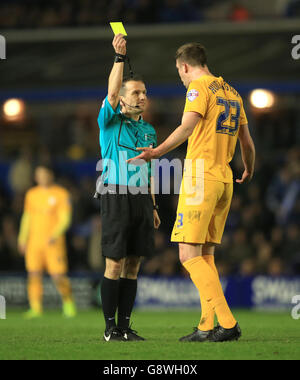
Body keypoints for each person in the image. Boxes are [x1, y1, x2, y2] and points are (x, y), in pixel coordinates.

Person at [128, 42, 255, 342]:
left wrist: (156, 152)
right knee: (205, 255)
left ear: (185, 66)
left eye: (179, 72)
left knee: (187, 255)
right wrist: (248, 169)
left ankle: (227, 323)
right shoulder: (233, 93)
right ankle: (205, 326)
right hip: (225, 179)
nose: (181, 78)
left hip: (201, 178)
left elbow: (186, 127)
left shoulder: (198, 88)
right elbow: (247, 144)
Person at [96, 33, 160, 342]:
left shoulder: (149, 130)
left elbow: (147, 170)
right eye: (135, 92)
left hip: (141, 202)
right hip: (116, 195)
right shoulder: (109, 121)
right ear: (122, 99)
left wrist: (153, 205)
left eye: (144, 92)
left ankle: (124, 327)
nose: (142, 97)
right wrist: (119, 58)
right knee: (115, 262)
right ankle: (110, 329)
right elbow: (110, 92)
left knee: (133, 264)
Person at [18, 164, 76, 319]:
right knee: (33, 274)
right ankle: (35, 308)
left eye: (44, 174)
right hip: (34, 242)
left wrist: (55, 234)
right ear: (36, 177)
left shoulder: (61, 194)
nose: (42, 177)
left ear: (51, 175)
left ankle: (68, 302)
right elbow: (27, 218)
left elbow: (65, 219)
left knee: (58, 276)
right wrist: (22, 238)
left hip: (53, 242)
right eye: (39, 174)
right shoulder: (31, 194)